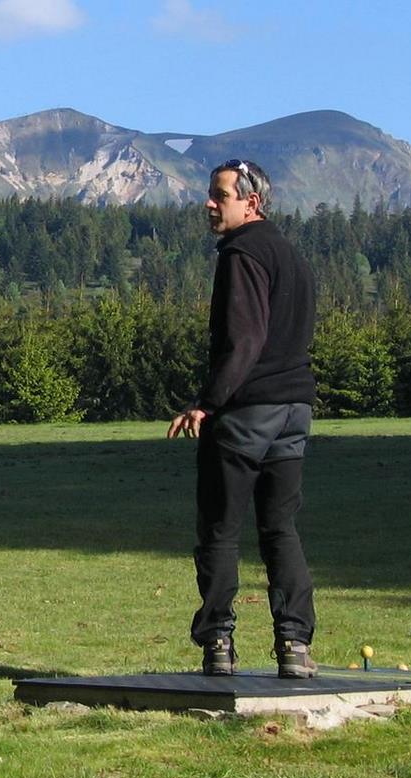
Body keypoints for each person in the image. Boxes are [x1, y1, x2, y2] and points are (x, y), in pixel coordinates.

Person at [166, 159, 319, 679]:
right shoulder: (291, 256)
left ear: (250, 202)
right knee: (280, 528)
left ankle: (218, 646)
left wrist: (206, 402)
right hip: (295, 410)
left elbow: (245, 339)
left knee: (219, 529)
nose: (209, 204)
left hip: (247, 411)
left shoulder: (241, 253)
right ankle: (295, 645)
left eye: (220, 195)